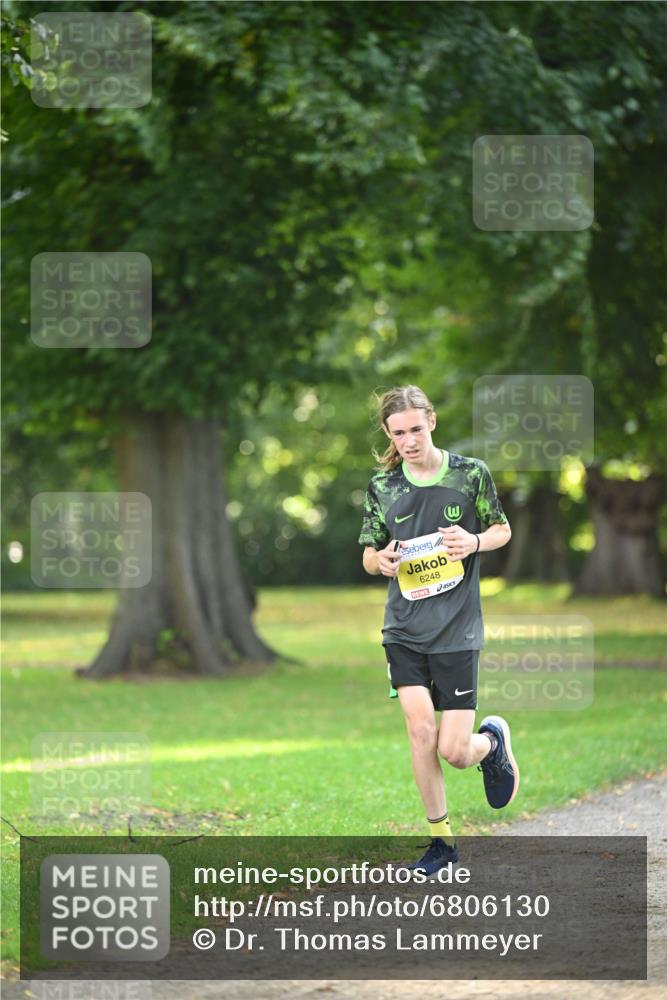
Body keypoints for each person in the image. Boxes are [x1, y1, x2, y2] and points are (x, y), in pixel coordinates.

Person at [358, 385, 518, 875]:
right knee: (420, 730)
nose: (409, 440)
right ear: (388, 433)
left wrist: (472, 541)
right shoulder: (383, 486)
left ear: (431, 421)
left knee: (454, 750)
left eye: (416, 429)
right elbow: (368, 553)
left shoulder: (470, 474)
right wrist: (380, 560)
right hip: (403, 629)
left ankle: (491, 743)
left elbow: (501, 529)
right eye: (398, 432)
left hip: (456, 630)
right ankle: (441, 843)